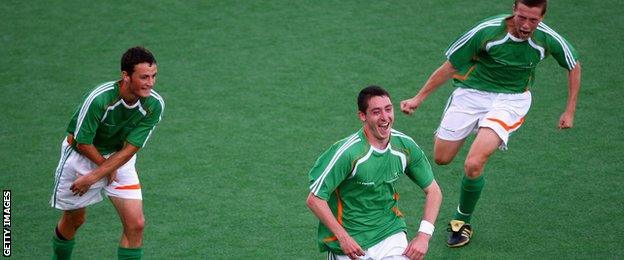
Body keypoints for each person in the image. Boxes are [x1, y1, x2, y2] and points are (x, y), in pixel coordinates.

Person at [400, 0, 581, 248]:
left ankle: (461, 221)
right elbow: (451, 65)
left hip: (511, 100)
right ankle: (477, 125)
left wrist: (569, 110)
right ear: (513, 10)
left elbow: (573, 65)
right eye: (521, 17)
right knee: (442, 157)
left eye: (533, 20)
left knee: (474, 163)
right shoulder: (487, 32)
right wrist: (418, 98)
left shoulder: (548, 40)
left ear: (542, 18)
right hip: (471, 92)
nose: (526, 25)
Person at [50, 46, 165, 259]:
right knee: (75, 220)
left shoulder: (154, 105)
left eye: (153, 76)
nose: (150, 83)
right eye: (144, 77)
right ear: (126, 76)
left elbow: (131, 148)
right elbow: (81, 141)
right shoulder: (99, 99)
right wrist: (102, 168)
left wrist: (98, 174)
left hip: (119, 159)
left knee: (136, 224)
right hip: (81, 157)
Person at [307, 86, 442, 260]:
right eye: (376, 112)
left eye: (388, 109)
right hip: (352, 242)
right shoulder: (349, 153)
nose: (385, 118)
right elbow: (315, 199)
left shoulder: (405, 147)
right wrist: (344, 238)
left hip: (390, 233)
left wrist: (424, 235)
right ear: (363, 116)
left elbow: (434, 191)